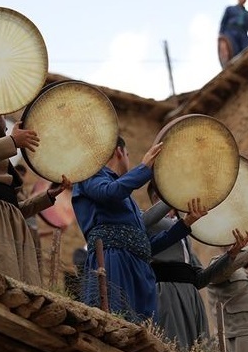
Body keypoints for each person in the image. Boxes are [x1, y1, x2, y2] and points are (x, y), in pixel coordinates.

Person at [71, 137, 199, 323]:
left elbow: (145, 245)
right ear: (119, 152)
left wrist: (185, 224)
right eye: (128, 154)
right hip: (114, 260)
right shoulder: (89, 175)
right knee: (115, 322)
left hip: (140, 270)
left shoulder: (129, 200)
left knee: (142, 334)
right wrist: (144, 168)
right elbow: (109, 192)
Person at [0, 97, 70, 286]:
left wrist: (47, 197)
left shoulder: (0, 144)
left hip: (12, 223)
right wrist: (12, 141)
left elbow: (12, 208)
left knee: (23, 286)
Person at [144, 183, 248, 351]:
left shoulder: (184, 232)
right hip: (168, 295)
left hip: (192, 299)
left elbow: (200, 278)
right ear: (159, 197)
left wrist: (231, 255)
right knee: (175, 350)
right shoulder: (147, 222)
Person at [14, 163, 42, 270]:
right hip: (22, 227)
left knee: (36, 259)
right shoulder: (12, 189)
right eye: (19, 174)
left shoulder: (25, 192)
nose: (21, 177)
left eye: (23, 175)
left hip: (33, 230)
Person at [218, 0, 248, 65]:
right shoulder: (230, 9)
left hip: (243, 34)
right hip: (231, 32)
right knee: (232, 52)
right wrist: (221, 35)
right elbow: (223, 22)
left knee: (246, 53)